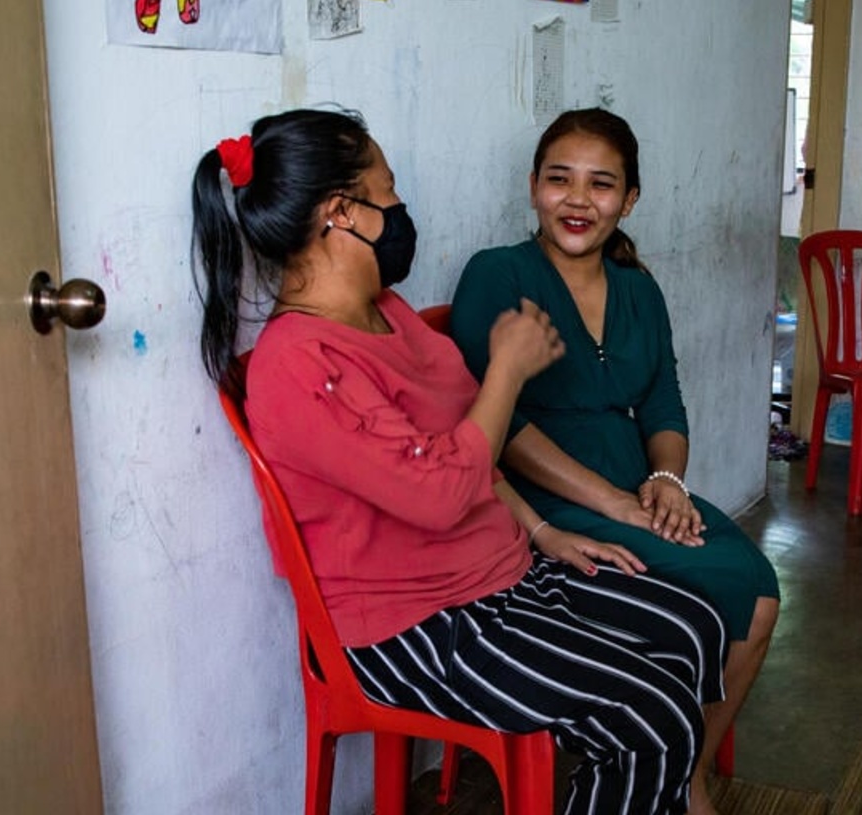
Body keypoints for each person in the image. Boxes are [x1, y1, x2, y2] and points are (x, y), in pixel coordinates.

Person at [191, 108, 730, 815]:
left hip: (495, 576)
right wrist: (506, 370)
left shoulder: (386, 310)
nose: (401, 209)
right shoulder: (298, 363)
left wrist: (539, 531)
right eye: (390, 195)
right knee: (652, 713)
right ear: (342, 214)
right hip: (413, 627)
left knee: (696, 623)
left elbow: (464, 452)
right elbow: (440, 489)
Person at [448, 108, 781, 808]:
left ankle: (684, 770)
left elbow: (665, 402)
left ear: (629, 199)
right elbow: (501, 425)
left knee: (758, 589)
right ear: (532, 186)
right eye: (558, 179)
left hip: (632, 485)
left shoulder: (638, 288)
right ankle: (678, 770)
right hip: (537, 503)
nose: (577, 199)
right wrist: (615, 502)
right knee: (719, 584)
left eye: (601, 184)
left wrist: (664, 482)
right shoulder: (496, 274)